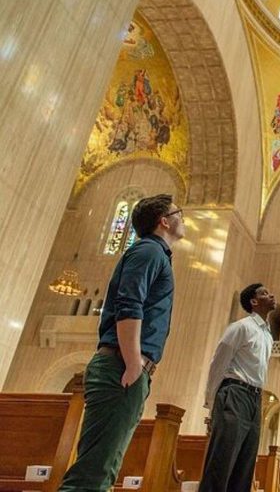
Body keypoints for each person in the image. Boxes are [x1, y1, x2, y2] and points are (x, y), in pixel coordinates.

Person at [59, 194, 184, 491]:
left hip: (124, 368)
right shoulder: (149, 252)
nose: (184, 218)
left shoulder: (154, 253)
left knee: (102, 469)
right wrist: (131, 363)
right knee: (92, 475)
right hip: (121, 366)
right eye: (179, 212)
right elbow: (130, 304)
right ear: (164, 221)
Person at [199, 283, 277, 492]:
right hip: (234, 393)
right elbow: (218, 363)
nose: (271, 295)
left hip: (255, 399)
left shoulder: (268, 336)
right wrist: (212, 402)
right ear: (253, 301)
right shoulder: (241, 327)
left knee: (245, 464)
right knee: (222, 461)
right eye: (264, 293)